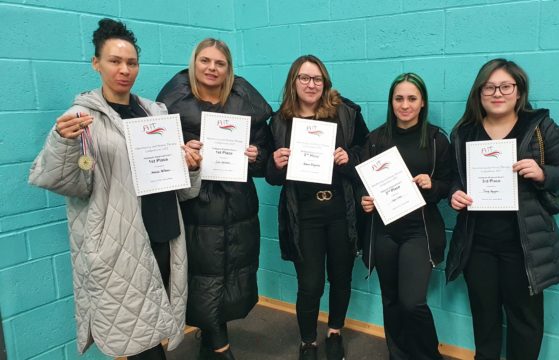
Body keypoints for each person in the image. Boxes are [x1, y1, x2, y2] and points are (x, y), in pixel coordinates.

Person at [28, 19, 202, 359]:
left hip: (164, 234)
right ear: (96, 64)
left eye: (131, 62)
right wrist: (63, 143)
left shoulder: (155, 112)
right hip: (120, 245)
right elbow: (68, 183)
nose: (124, 69)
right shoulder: (80, 119)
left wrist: (190, 166)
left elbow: (178, 186)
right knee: (139, 341)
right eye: (114, 61)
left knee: (155, 329)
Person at [445, 58, 559, 360]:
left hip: (524, 245)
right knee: (485, 318)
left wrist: (543, 173)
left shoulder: (539, 126)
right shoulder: (465, 133)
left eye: (506, 86)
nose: (497, 93)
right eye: (489, 87)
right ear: (479, 93)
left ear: (519, 91)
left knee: (525, 322)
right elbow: (455, 177)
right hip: (477, 244)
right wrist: (455, 193)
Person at [157, 38, 272, 360]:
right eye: (205, 61)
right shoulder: (171, 107)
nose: (212, 68)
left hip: (238, 203)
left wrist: (256, 155)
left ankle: (212, 340)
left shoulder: (246, 107)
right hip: (197, 204)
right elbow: (160, 162)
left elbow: (264, 162)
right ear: (194, 64)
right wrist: (183, 157)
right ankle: (219, 345)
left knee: (232, 270)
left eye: (219, 63)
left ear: (229, 69)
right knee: (203, 275)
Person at [266, 55, 369, 360]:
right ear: (293, 82)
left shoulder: (346, 113)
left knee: (341, 277)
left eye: (317, 79)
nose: (311, 84)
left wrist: (349, 158)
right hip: (304, 215)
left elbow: (365, 153)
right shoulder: (279, 121)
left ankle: (334, 331)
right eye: (304, 78)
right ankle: (308, 341)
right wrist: (275, 164)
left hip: (341, 211)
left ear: (325, 82)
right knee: (309, 284)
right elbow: (271, 177)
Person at [359, 73, 451, 360]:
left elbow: (450, 184)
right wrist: (364, 201)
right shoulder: (375, 139)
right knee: (392, 300)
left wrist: (432, 185)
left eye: (412, 98)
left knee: (412, 302)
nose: (405, 105)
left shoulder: (436, 140)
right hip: (384, 232)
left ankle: (427, 356)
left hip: (418, 231)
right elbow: (363, 183)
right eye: (399, 98)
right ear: (392, 102)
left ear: (422, 102)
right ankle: (397, 355)